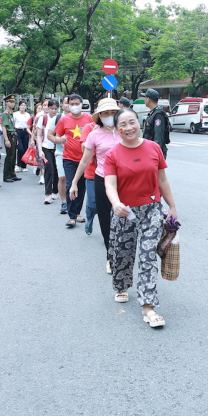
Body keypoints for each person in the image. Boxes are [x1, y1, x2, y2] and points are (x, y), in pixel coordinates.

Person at [105, 107, 178, 328]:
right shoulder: (113, 154)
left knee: (148, 256)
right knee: (122, 254)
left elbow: (162, 180)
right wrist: (116, 203)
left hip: (151, 210)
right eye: (123, 124)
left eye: (132, 122)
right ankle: (121, 285)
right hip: (125, 211)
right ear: (117, 129)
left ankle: (148, 306)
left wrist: (172, 206)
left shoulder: (154, 148)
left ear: (140, 123)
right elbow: (110, 184)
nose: (129, 127)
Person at [70, 98, 121, 258]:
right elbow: (85, 160)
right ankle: (110, 256)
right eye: (106, 113)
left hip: (124, 181)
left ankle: (122, 253)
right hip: (102, 180)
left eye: (113, 112)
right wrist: (74, 182)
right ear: (99, 115)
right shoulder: (94, 135)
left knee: (124, 218)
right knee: (106, 220)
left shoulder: (124, 131)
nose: (110, 116)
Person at [50, 94, 94, 228]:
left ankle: (78, 212)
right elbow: (55, 136)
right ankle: (72, 216)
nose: (74, 106)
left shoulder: (89, 118)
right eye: (72, 104)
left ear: (82, 104)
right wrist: (60, 140)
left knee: (81, 186)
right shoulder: (64, 119)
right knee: (70, 185)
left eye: (77, 104)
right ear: (68, 105)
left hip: (85, 159)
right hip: (69, 158)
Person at [36, 99, 59, 204]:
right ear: (48, 108)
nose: (53, 111)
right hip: (46, 147)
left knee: (57, 170)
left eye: (55, 109)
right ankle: (48, 194)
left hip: (58, 147)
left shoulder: (60, 118)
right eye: (51, 108)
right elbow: (39, 135)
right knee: (49, 170)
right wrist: (40, 150)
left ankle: (55, 190)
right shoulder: (43, 118)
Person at [141, 88, 169, 158]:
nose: (144, 100)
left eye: (145, 98)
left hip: (154, 153)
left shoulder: (158, 115)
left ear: (148, 99)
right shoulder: (153, 113)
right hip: (149, 150)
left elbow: (158, 137)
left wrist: (155, 155)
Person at [1, 95, 21, 183]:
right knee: (9, 156)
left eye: (13, 102)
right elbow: (4, 127)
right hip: (9, 136)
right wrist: (6, 139)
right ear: (7, 103)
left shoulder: (11, 113)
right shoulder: (5, 114)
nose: (13, 104)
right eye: (11, 102)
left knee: (13, 156)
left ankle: (12, 174)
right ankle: (7, 175)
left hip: (13, 135)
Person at [13, 100, 32, 173]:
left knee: (25, 149)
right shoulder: (15, 114)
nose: (23, 107)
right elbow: (13, 124)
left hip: (25, 132)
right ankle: (18, 164)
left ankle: (24, 166)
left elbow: (29, 124)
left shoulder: (27, 115)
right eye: (22, 105)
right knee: (20, 149)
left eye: (24, 105)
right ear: (19, 106)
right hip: (18, 131)